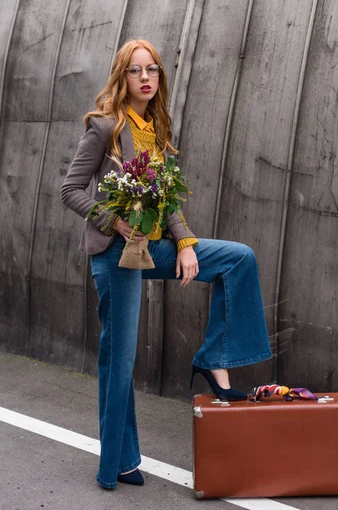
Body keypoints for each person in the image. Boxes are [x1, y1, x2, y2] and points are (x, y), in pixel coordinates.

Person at [60, 39, 271, 490]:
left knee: (238, 259)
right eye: (136, 71)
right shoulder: (104, 127)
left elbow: (167, 197)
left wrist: (186, 243)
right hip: (117, 255)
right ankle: (118, 461)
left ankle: (215, 357)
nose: (145, 78)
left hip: (154, 248)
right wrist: (114, 222)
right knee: (120, 359)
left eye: (152, 70)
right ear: (122, 77)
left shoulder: (158, 129)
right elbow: (71, 190)